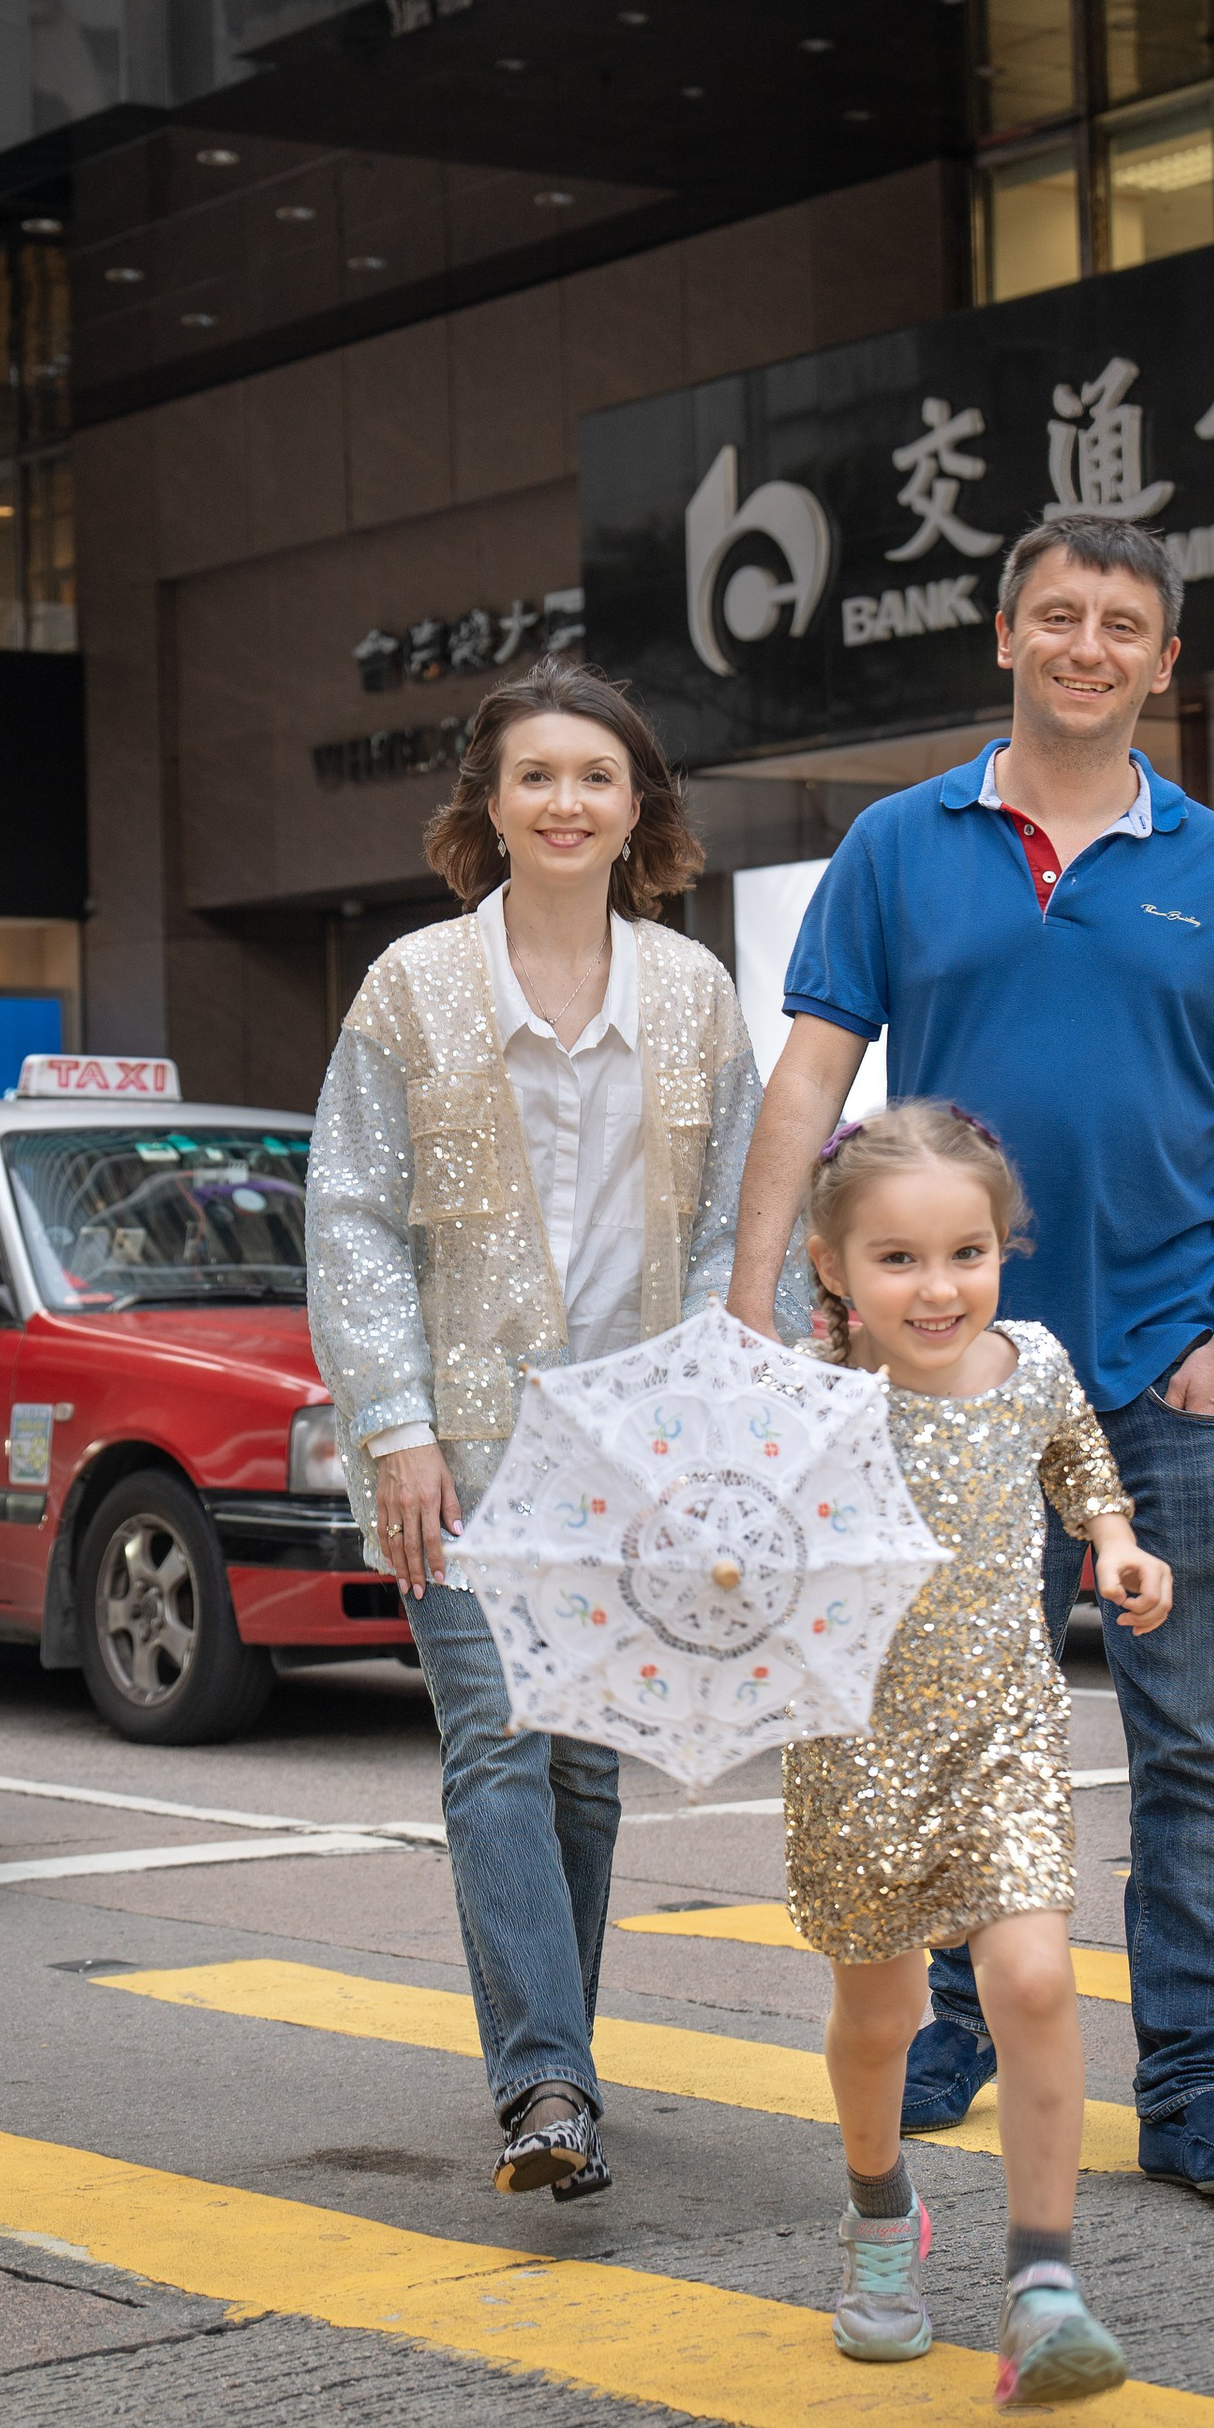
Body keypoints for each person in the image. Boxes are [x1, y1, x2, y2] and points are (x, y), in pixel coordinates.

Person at [728, 511, 1214, 2202]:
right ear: (1004, 637)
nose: (1086, 646)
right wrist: (760, 1290)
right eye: (1056, 616)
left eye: (1120, 624)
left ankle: (1198, 2084)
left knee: (1195, 1745)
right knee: (926, 1718)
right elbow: (809, 1078)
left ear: (1162, 661)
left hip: (1161, 1373)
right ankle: (958, 2025)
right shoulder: (901, 845)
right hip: (943, 1387)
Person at [308, 658, 758, 2204]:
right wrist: (394, 1423)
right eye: (536, 778)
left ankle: (558, 2058)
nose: (567, 803)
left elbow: (727, 1224)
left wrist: (702, 1410)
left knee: (585, 1778)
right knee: (497, 1746)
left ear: (640, 807)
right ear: (487, 806)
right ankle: (547, 2087)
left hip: (632, 1454)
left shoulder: (693, 994)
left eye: (597, 777)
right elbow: (354, 1219)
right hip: (461, 1447)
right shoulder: (414, 985)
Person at [784, 1100, 1169, 2390]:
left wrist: (1117, 1545)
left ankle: (1043, 2282)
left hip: (1004, 1726)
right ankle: (883, 2216)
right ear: (835, 1268)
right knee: (882, 2013)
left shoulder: (1037, 1365)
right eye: (898, 1259)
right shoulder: (807, 1395)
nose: (939, 1288)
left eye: (969, 1252)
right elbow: (739, 1543)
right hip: (857, 1745)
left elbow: (1083, 1469)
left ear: (1006, 1247)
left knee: (1035, 1982)